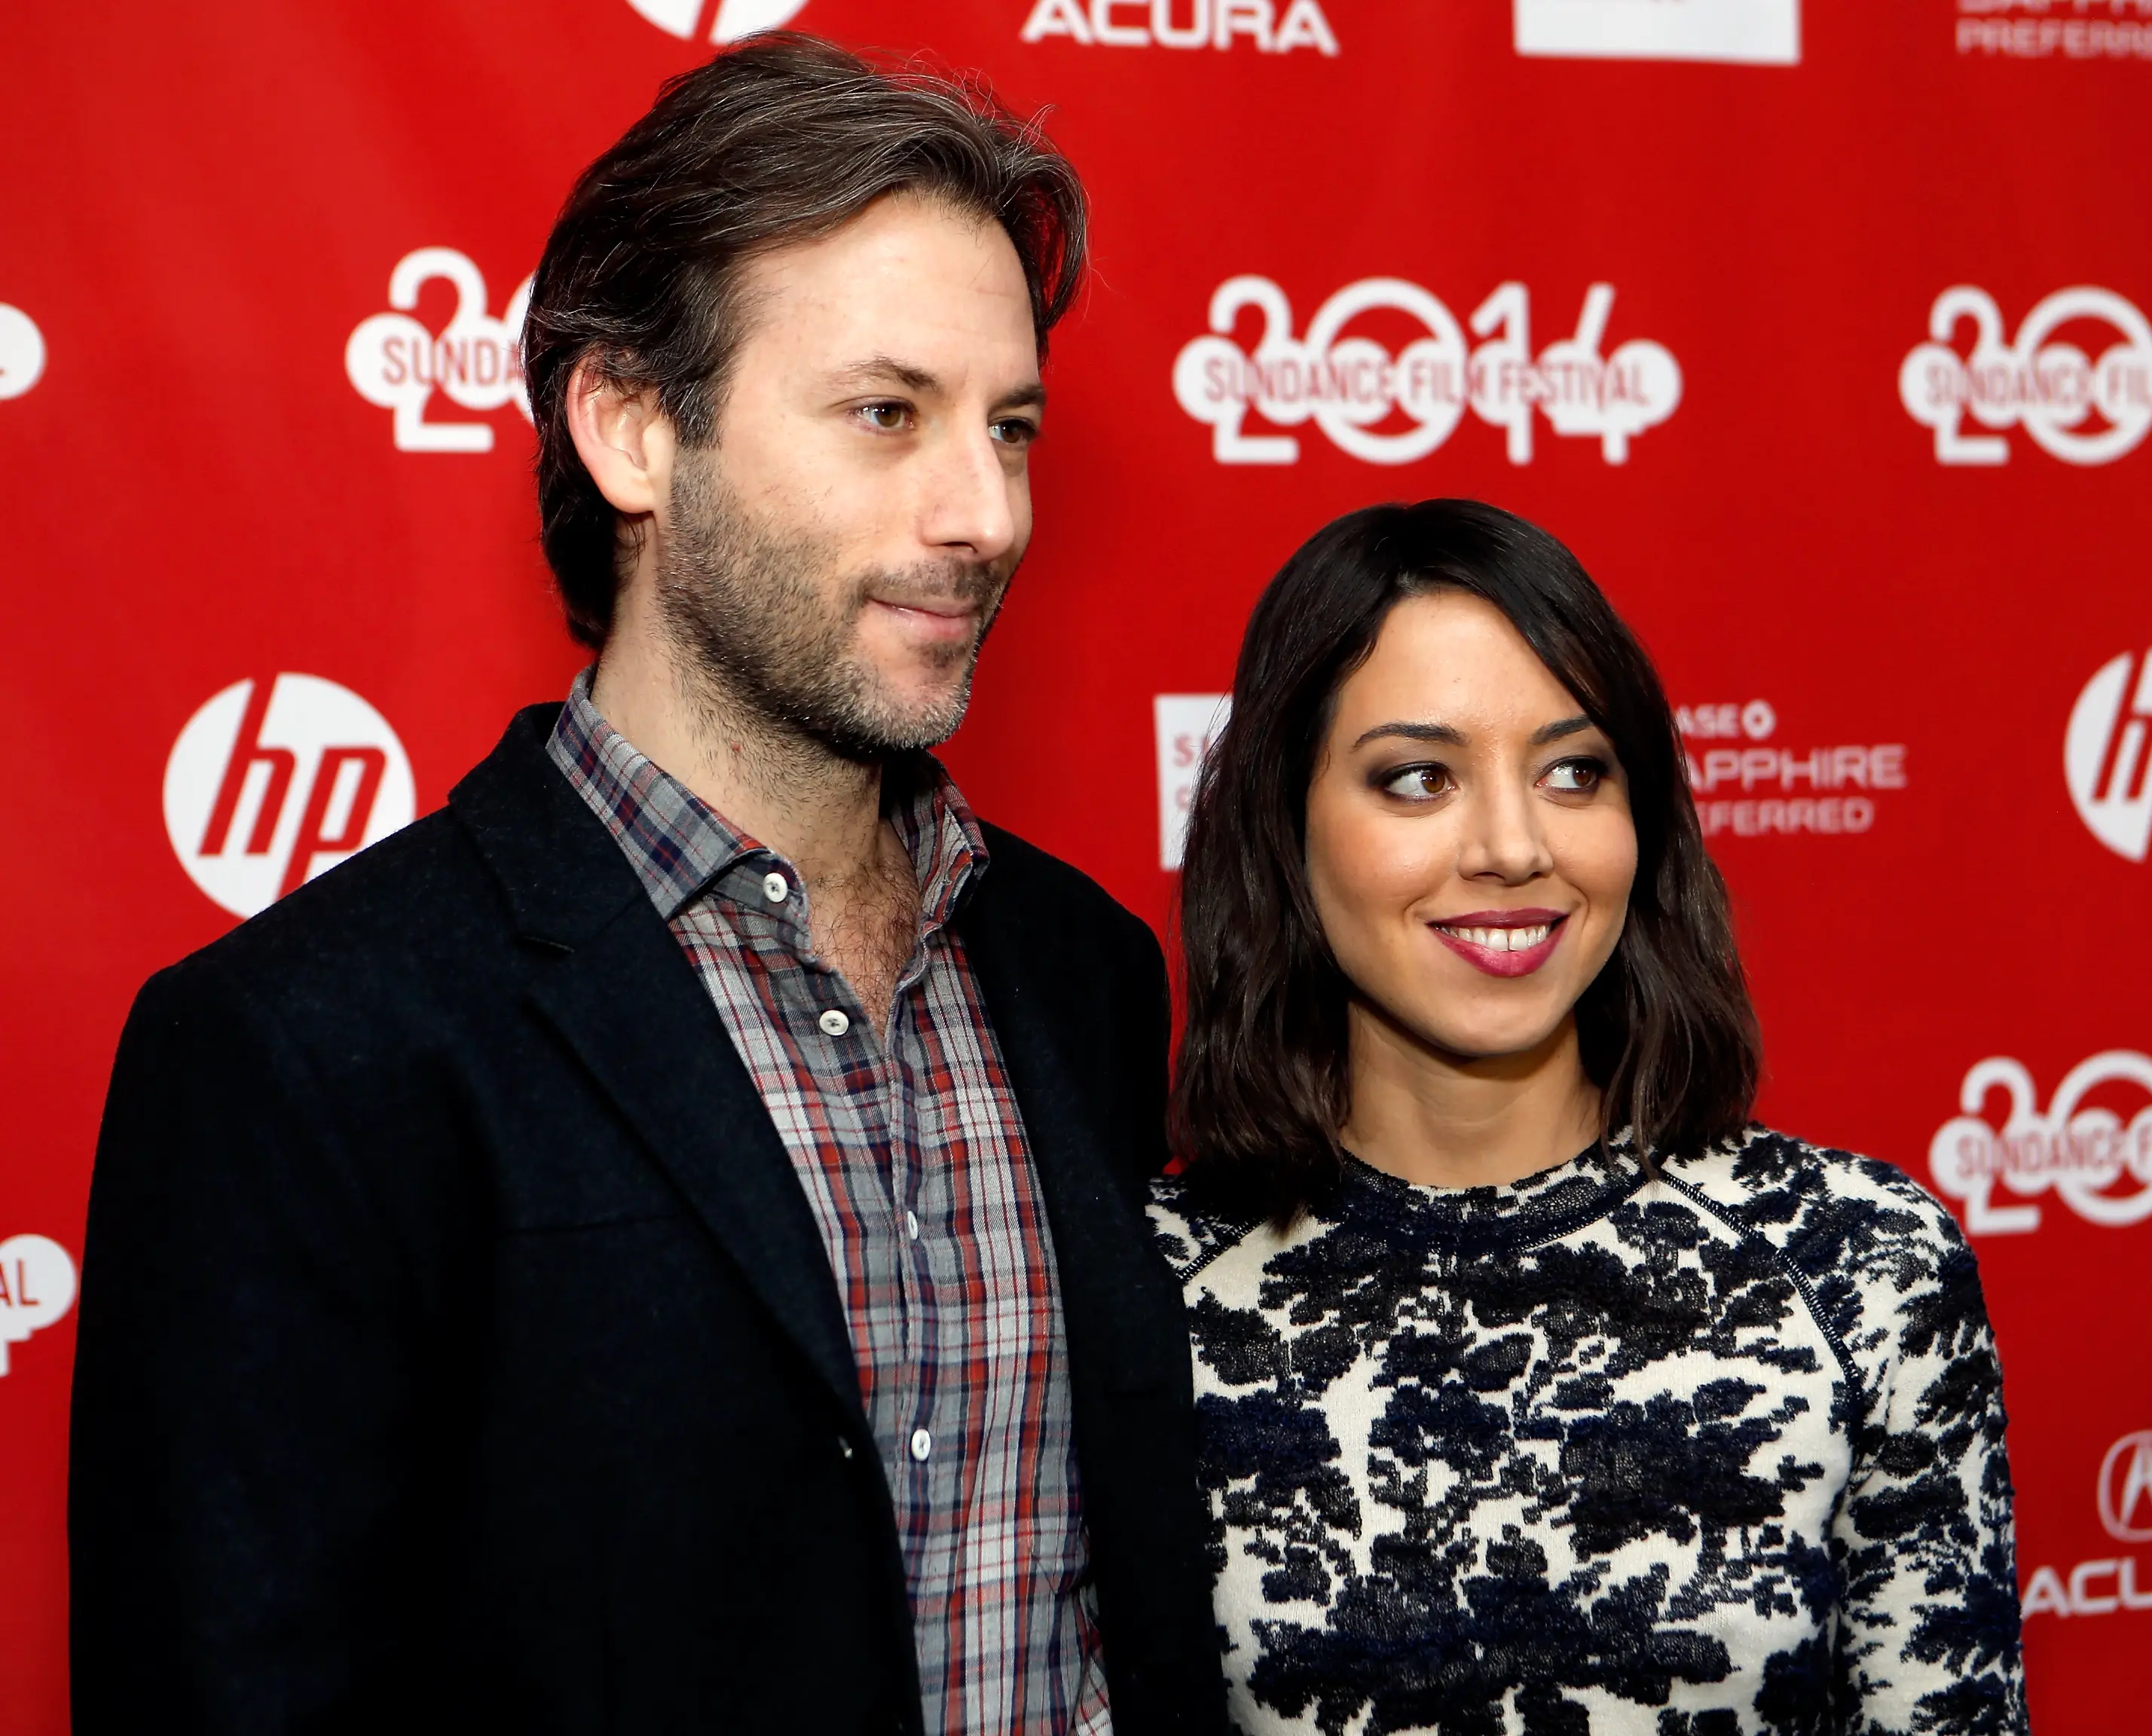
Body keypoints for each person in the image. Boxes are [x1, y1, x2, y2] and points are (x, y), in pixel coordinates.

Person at [72, 37, 1221, 1735]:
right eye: (888, 413)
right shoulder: (305, 1050)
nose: (985, 513)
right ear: (627, 429)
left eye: (1012, 427)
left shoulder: (1084, 971)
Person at [1150, 500, 2026, 1734]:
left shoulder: (1864, 1267)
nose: (1514, 847)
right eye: (1418, 778)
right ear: (1284, 829)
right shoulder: (1143, 1293)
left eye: (1573, 771)